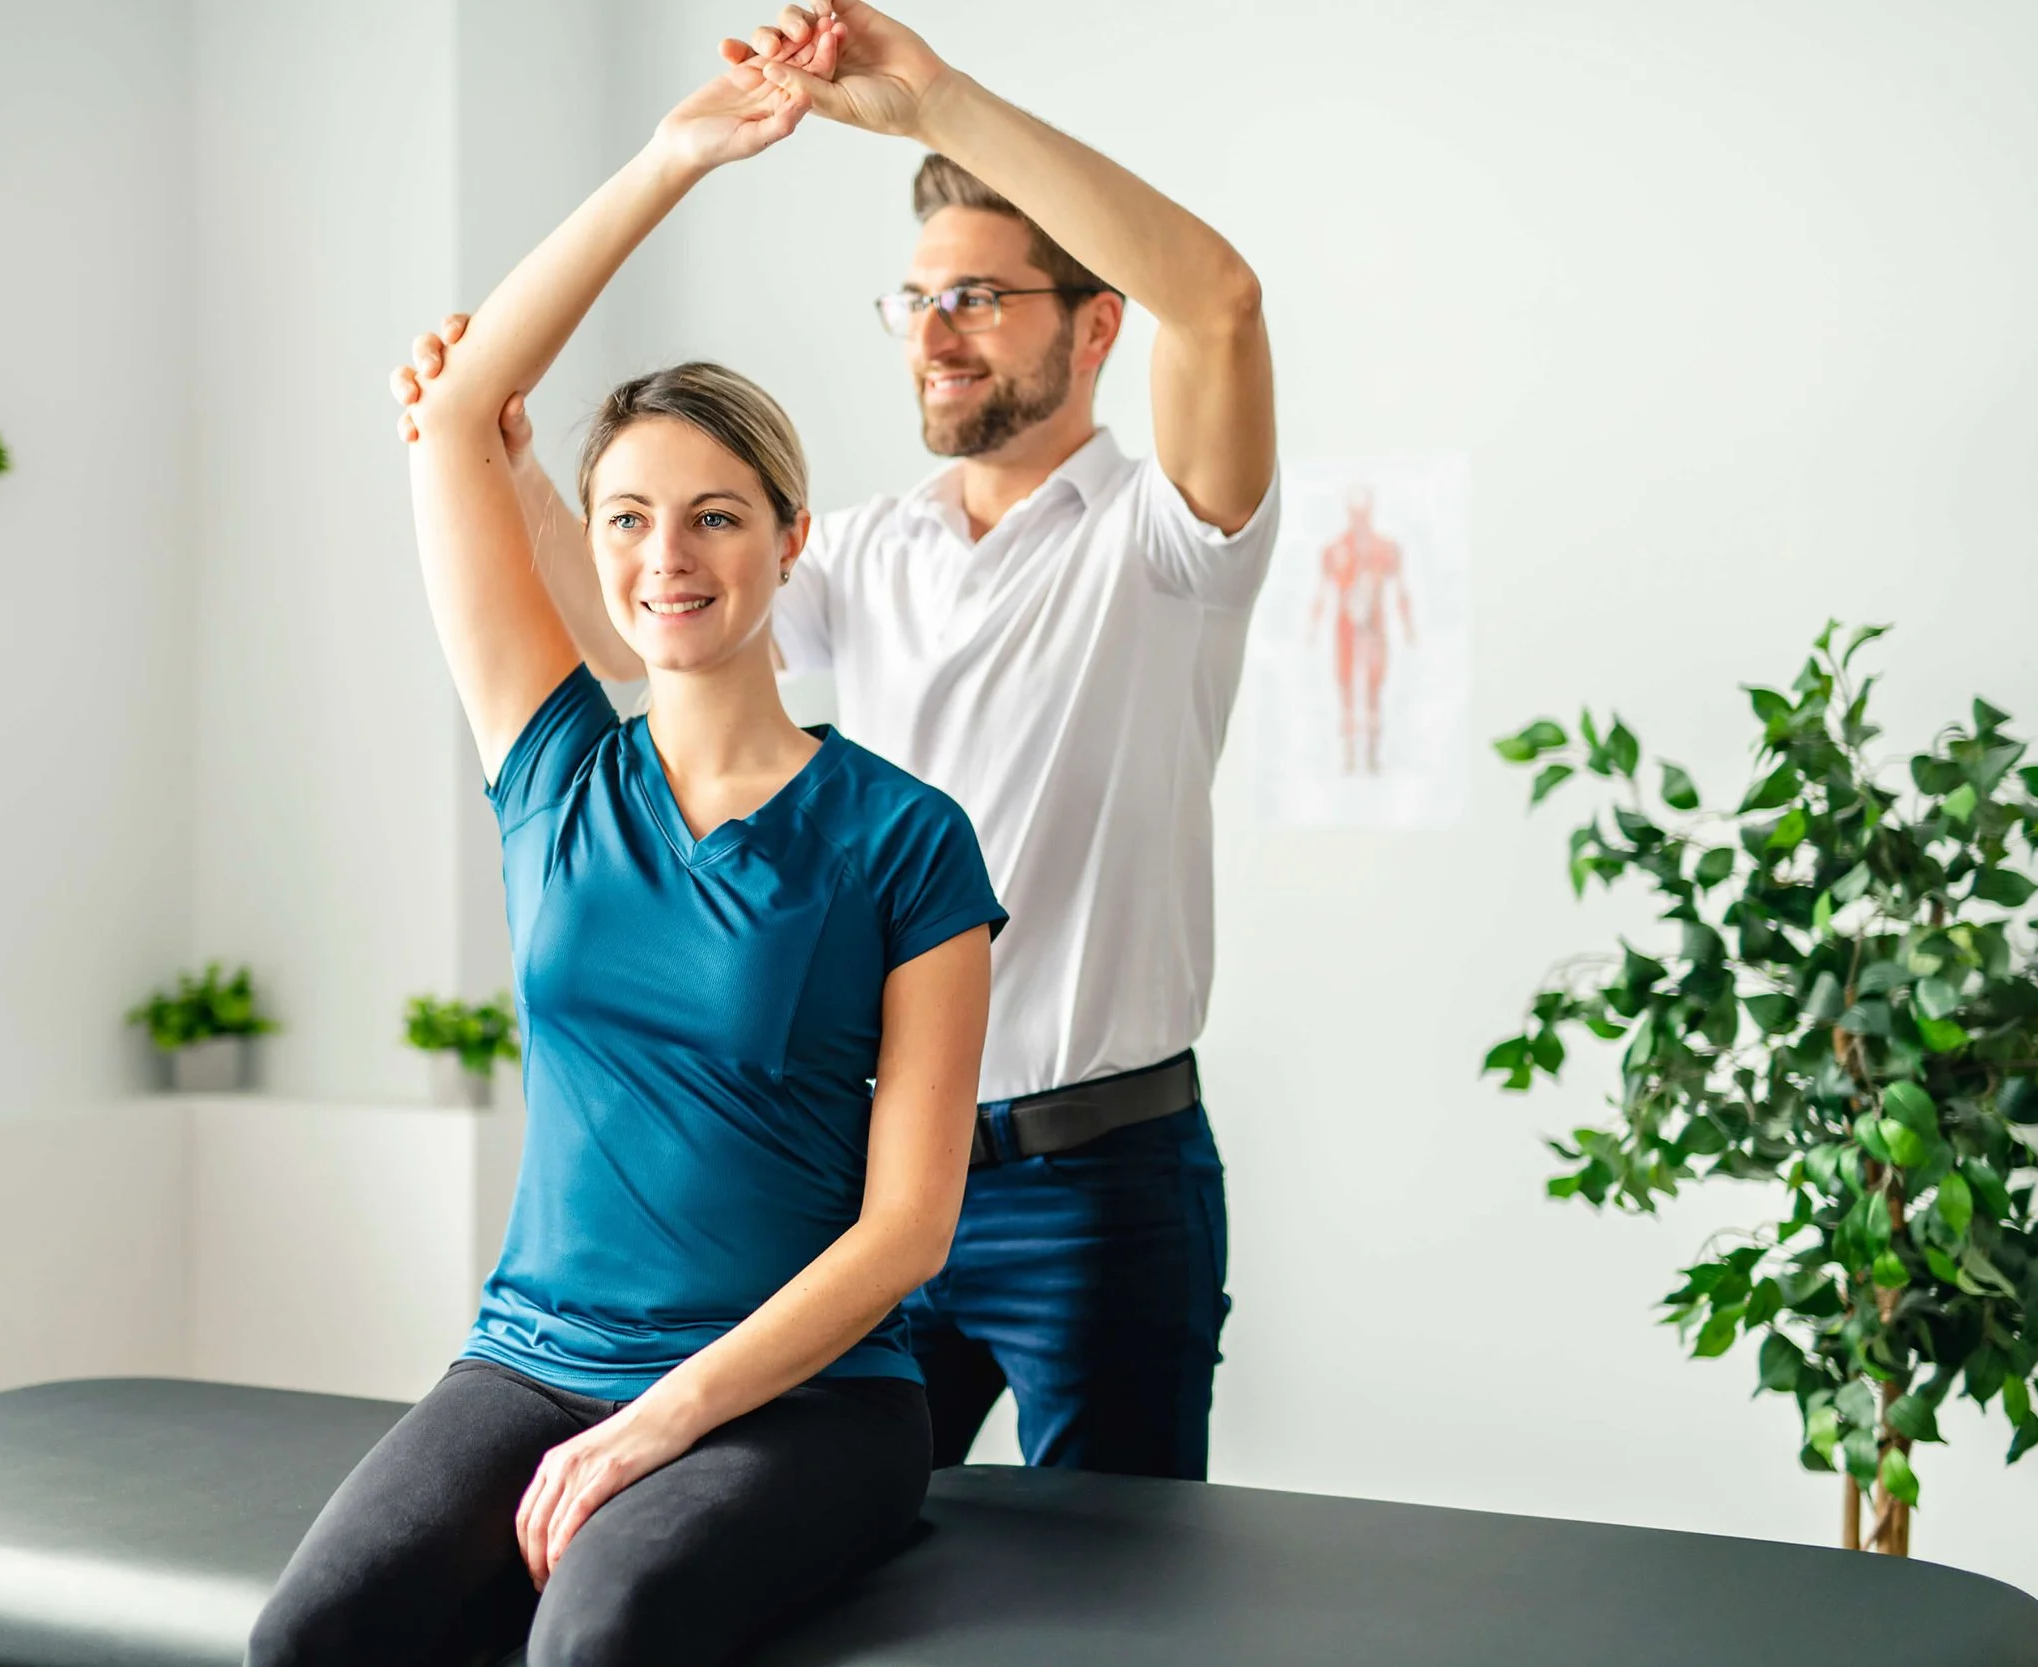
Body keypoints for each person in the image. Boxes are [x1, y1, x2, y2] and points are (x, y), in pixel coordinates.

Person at [402, 0, 1278, 1482]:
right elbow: (648, 632)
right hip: (861, 1183)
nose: (934, 334)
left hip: (1096, 1180)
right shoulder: (866, 553)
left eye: (984, 298)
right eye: (917, 299)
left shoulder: (1169, 538)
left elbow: (1222, 303)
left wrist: (934, 99)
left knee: (1113, 1611)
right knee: (810, 1584)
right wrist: (519, 477)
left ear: (1097, 320)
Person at [255, 37, 1005, 1667]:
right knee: (308, 1638)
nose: (670, 556)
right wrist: (671, 159)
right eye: (628, 519)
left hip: (807, 1395)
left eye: (717, 514)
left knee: (594, 1641)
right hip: (530, 1352)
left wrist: (663, 1417)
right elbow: (456, 419)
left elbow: (909, 1233)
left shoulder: (907, 840)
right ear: (590, 549)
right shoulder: (553, 771)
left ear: (789, 538)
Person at [1310, 484, 1416, 775]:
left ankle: (1371, 757)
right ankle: (1347, 756)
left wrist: (1408, 627)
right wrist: (1312, 628)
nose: (1359, 517)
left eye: (1363, 511)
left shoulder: (1386, 549)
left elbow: (1401, 591)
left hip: (1375, 628)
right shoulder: (1333, 550)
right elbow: (1321, 593)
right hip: (1344, 628)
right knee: (1345, 689)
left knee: (1373, 691)